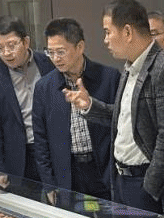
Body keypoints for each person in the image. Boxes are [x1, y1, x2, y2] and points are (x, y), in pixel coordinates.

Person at [67, 0, 164, 218]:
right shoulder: (130, 67)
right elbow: (127, 119)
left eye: (107, 32)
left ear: (127, 32)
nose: (105, 40)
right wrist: (90, 105)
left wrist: (149, 186)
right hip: (121, 180)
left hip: (145, 184)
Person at [33, 17, 118, 201]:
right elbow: (40, 140)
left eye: (61, 51)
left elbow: (120, 125)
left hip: (103, 170)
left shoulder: (110, 78)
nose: (56, 58)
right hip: (68, 172)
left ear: (80, 47)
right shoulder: (44, 87)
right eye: (50, 52)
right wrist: (49, 183)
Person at [0, 16, 54, 187]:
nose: (6, 53)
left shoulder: (49, 63)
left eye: (12, 45)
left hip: (52, 149)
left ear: (26, 42)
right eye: (0, 48)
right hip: (21, 155)